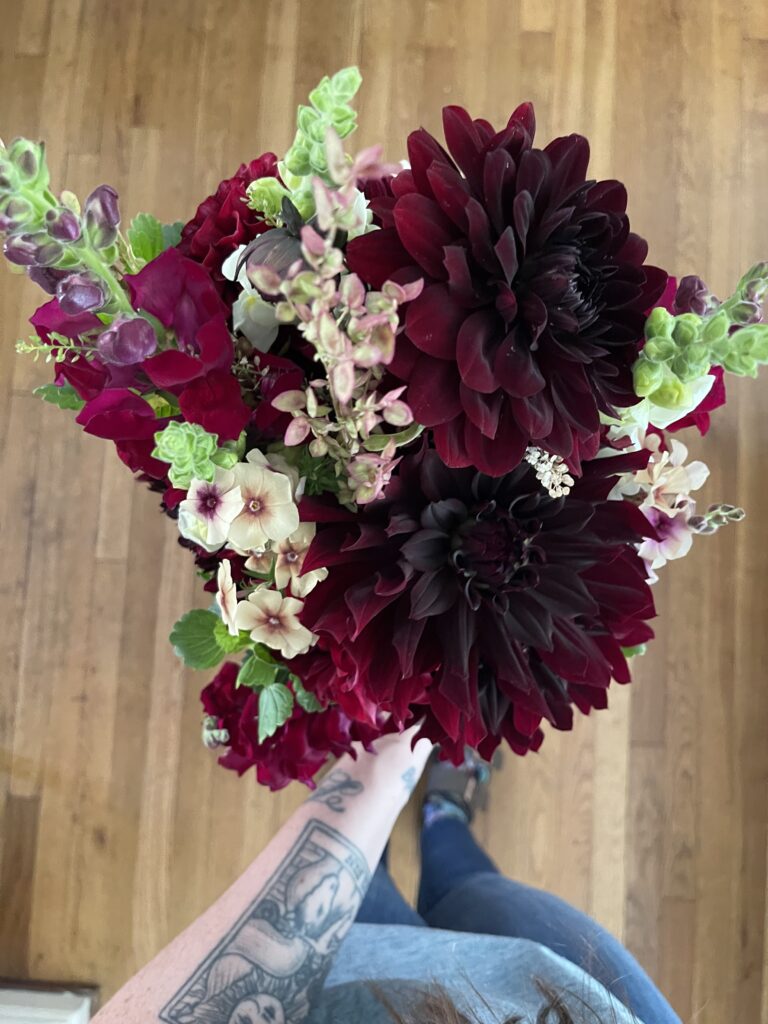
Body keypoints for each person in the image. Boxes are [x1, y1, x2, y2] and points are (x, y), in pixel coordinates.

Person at [93, 730, 680, 1024]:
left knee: (358, 888)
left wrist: (373, 774)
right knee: (476, 890)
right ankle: (443, 812)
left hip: (350, 991)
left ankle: (405, 819)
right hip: (567, 998)